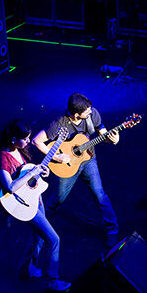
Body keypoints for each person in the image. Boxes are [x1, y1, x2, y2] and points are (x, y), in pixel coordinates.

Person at [32, 93, 120, 247]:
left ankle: (113, 230)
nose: (90, 112)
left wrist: (113, 139)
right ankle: (40, 224)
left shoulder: (93, 114)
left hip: (88, 160)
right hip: (66, 165)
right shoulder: (59, 123)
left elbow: (103, 134)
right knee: (58, 199)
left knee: (100, 195)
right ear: (76, 115)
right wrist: (57, 157)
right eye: (86, 112)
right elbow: (36, 141)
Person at [0, 119, 71, 291]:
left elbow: (27, 174)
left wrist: (41, 171)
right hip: (22, 203)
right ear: (14, 138)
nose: (29, 141)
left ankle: (27, 270)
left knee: (38, 236)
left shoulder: (19, 150)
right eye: (26, 138)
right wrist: (32, 172)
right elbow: (10, 186)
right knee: (53, 239)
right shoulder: (2, 158)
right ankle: (53, 281)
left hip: (34, 198)